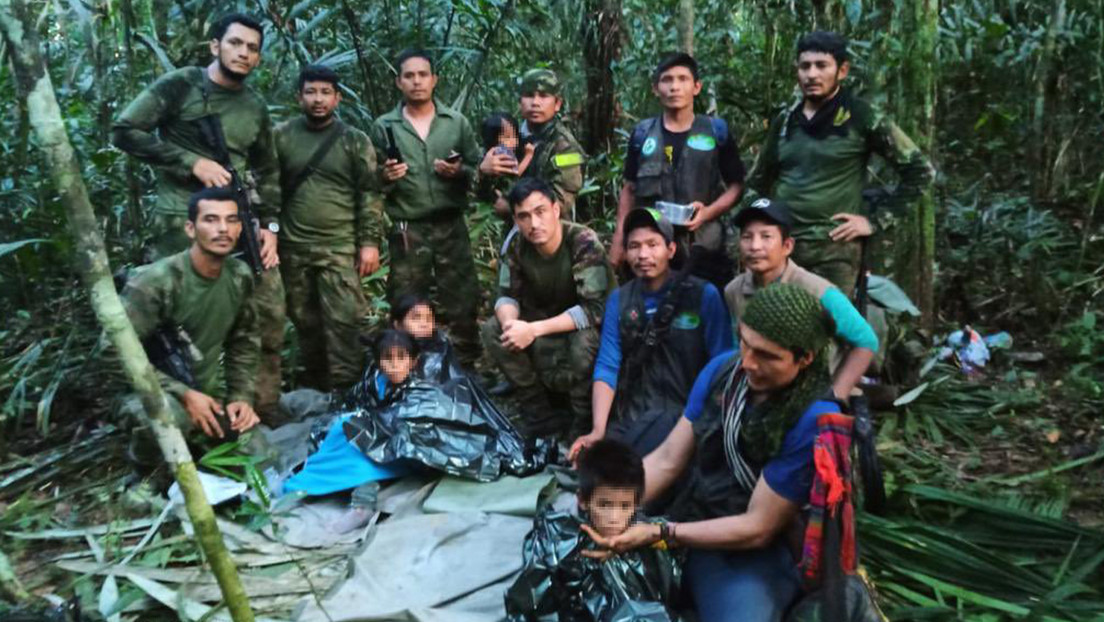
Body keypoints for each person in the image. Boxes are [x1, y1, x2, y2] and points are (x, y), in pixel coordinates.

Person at [583, 283, 842, 621]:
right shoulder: (723, 371)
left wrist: (661, 533)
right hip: (696, 511)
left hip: (751, 546)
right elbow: (668, 459)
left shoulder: (812, 419)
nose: (747, 363)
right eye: (745, 344)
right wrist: (608, 505)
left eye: (766, 355)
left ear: (804, 358)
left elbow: (758, 527)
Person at [112, 13, 286, 418]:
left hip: (239, 220)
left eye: (252, 48)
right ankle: (177, 408)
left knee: (267, 310)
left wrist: (272, 227)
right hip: (181, 223)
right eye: (236, 43)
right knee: (177, 320)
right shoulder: (182, 86)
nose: (243, 53)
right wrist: (190, 162)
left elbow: (269, 171)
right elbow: (124, 131)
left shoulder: (254, 107)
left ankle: (257, 408)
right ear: (215, 46)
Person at [744, 31, 934, 292]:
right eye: (805, 66)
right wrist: (757, 234)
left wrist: (874, 222)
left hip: (834, 252)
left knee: (829, 329)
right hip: (783, 251)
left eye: (821, 66)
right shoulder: (786, 121)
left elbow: (920, 172)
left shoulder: (861, 116)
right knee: (774, 326)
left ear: (842, 70)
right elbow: (757, 182)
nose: (811, 74)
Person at [570, 208, 732, 460]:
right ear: (625, 252)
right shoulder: (620, 300)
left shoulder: (703, 295)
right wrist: (598, 430)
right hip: (635, 415)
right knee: (594, 466)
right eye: (634, 246)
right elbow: (608, 364)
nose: (643, 254)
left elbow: (723, 364)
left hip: (687, 417)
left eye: (652, 244)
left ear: (671, 250)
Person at [119, 187, 261, 472]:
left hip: (205, 393)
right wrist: (183, 394)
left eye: (231, 220)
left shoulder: (239, 276)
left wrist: (240, 398)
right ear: (190, 228)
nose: (223, 229)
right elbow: (114, 356)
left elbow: (244, 342)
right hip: (145, 391)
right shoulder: (155, 283)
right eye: (210, 220)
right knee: (170, 419)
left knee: (260, 456)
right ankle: (143, 475)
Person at [372, 48, 484, 367]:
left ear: (434, 80)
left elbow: (479, 169)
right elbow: (371, 180)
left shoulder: (455, 123)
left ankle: (465, 364)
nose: (417, 82)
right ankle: (409, 363)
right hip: (409, 227)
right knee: (406, 296)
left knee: (462, 294)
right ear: (398, 82)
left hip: (451, 223)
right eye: (409, 76)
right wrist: (386, 176)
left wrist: (458, 171)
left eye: (423, 75)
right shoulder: (384, 126)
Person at [274, 65, 383, 392]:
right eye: (310, 92)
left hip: (339, 246)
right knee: (306, 323)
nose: (317, 99)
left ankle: (349, 389)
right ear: (299, 97)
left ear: (337, 98)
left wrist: (369, 243)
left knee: (346, 322)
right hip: (293, 248)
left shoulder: (353, 140)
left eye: (325, 93)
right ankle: (318, 389)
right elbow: (266, 187)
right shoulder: (280, 136)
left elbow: (370, 192)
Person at [481, 178, 613, 439]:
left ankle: (583, 421)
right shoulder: (517, 245)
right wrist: (510, 326)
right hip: (542, 321)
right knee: (493, 329)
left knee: (584, 342)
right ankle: (539, 413)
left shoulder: (582, 241)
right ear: (516, 221)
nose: (534, 224)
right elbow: (506, 296)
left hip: (584, 326)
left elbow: (594, 309)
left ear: (555, 209)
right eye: (524, 217)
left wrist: (532, 330)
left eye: (540, 212)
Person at [504, 439, 684, 620]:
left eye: (624, 506)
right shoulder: (561, 544)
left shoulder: (646, 535)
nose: (614, 518)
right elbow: (532, 600)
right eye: (604, 505)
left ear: (636, 505)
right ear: (583, 500)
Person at [612, 53, 746, 287]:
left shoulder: (716, 132)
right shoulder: (643, 135)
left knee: (703, 310)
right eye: (667, 80)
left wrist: (708, 212)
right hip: (652, 248)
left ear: (696, 87)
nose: (675, 87)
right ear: (656, 88)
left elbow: (736, 186)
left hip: (703, 247)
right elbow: (630, 188)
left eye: (683, 79)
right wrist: (620, 237)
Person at [727, 198, 878, 400]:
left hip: (812, 395)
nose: (755, 246)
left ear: (787, 246)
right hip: (760, 389)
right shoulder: (734, 290)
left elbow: (866, 341)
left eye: (766, 237)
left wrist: (836, 394)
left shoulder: (817, 291)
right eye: (747, 237)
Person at [283, 329, 416, 533]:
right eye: (387, 359)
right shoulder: (376, 382)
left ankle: (362, 505)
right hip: (373, 439)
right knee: (340, 431)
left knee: (359, 459)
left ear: (414, 361)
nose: (395, 365)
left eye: (401, 358)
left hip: (400, 449)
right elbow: (358, 409)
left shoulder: (423, 389)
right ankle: (334, 482)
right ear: (379, 363)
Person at [480, 68, 586, 220]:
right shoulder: (508, 134)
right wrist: (483, 172)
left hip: (549, 235)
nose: (535, 103)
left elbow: (560, 203)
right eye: (529, 95)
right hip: (513, 236)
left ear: (557, 104)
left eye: (543, 96)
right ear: (519, 102)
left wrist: (512, 207)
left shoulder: (567, 149)